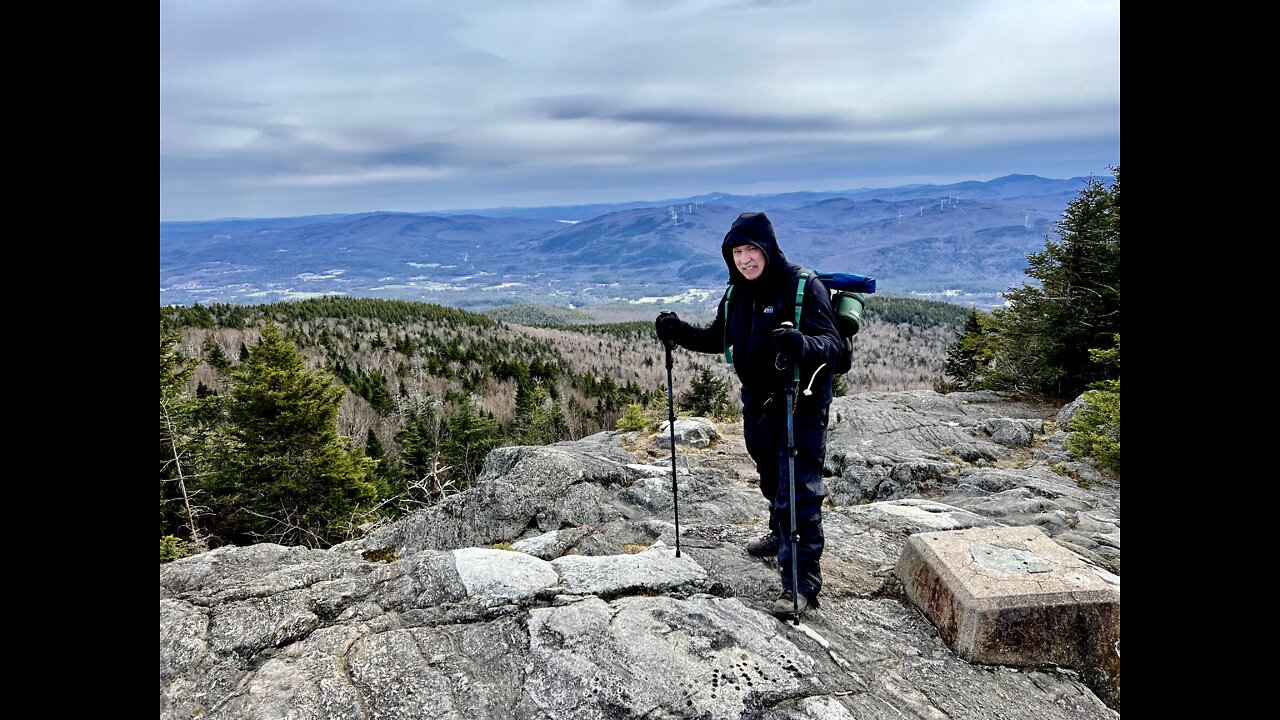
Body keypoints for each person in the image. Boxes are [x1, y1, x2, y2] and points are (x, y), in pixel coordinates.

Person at [655, 211, 843, 617]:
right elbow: (717, 337)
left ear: (767, 249)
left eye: (750, 250)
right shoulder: (736, 293)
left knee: (798, 489)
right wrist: (679, 332)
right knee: (772, 476)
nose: (744, 259)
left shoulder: (803, 287)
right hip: (758, 403)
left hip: (802, 405)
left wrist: (802, 345)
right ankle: (780, 535)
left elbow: (834, 346)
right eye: (737, 252)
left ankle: (800, 584)